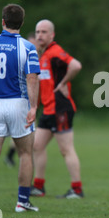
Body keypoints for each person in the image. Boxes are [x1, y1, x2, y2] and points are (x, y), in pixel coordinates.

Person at [0, 4, 40, 213]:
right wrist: (34, 107)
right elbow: (32, 80)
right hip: (18, 104)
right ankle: (22, 201)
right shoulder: (28, 48)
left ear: (3, 22)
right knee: (25, 154)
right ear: (22, 23)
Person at [30, 19, 84, 199]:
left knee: (66, 149)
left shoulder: (54, 52)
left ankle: (77, 190)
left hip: (61, 108)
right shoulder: (42, 56)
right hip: (48, 109)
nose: (40, 35)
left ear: (52, 35)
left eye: (44, 32)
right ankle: (38, 187)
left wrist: (63, 82)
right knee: (37, 146)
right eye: (37, 32)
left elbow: (76, 65)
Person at [4, 32, 39, 168]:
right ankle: (29, 180)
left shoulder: (37, 57)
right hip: (23, 103)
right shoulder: (25, 57)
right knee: (27, 137)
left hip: (33, 103)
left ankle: (10, 156)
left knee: (24, 133)